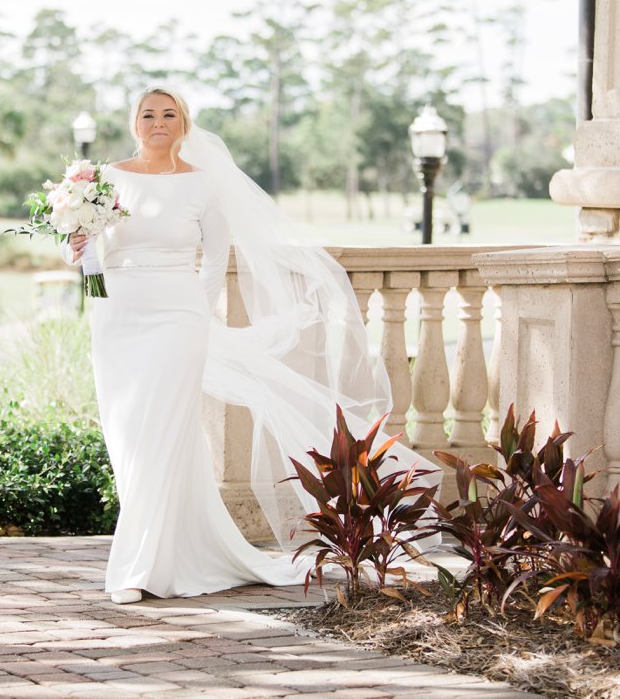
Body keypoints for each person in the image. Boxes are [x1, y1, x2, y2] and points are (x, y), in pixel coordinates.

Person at [68, 87, 439, 605]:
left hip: (178, 316)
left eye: (169, 114)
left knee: (161, 429)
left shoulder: (201, 186)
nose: (158, 122)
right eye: (148, 114)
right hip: (117, 316)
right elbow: (94, 256)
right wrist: (79, 255)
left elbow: (216, 260)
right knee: (128, 434)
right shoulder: (105, 178)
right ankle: (171, 550)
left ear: (184, 123)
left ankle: (136, 567)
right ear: (134, 122)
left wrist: (198, 313)